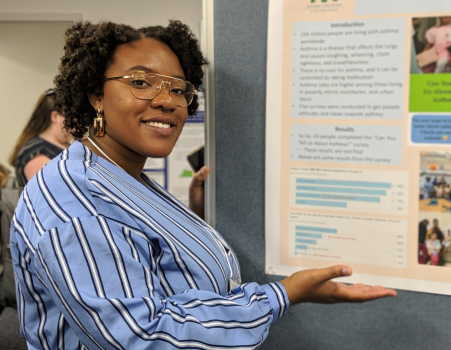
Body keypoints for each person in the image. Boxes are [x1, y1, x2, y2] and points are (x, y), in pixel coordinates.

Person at [9, 21, 396, 350]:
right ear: (96, 94)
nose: (167, 101)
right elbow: (142, 336)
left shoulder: (121, 176)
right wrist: (283, 295)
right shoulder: (75, 199)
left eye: (179, 89)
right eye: (141, 82)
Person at [8, 89, 72, 187]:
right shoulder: (34, 150)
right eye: (72, 118)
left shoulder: (67, 145)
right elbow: (55, 191)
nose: (76, 124)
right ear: (55, 116)